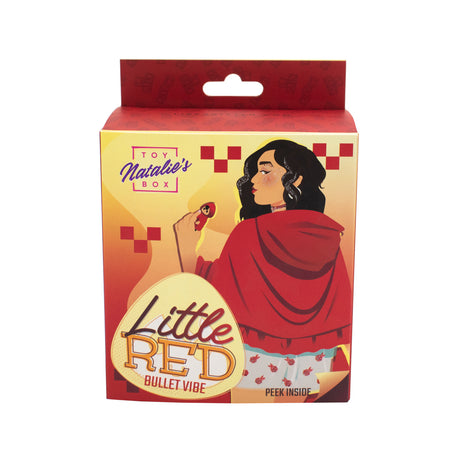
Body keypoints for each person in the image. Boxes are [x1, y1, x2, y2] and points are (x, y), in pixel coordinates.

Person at [173, 140, 352, 390]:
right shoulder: (328, 237)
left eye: (265, 171)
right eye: (255, 172)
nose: (254, 180)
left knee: (251, 403)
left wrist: (185, 247)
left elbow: (214, 295)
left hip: (254, 355)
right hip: (317, 358)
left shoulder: (248, 233)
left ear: (297, 179)